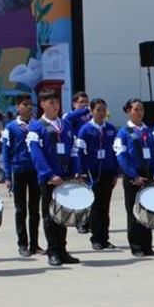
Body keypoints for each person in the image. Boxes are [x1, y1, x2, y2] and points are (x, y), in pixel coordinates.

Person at [27, 90, 84, 267]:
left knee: (64, 215)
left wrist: (76, 170)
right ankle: (53, 251)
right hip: (50, 179)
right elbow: (36, 153)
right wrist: (49, 174)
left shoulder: (66, 124)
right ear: (42, 104)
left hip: (66, 177)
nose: (55, 106)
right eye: (50, 103)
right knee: (50, 216)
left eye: (57, 103)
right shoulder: (37, 126)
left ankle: (62, 250)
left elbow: (74, 150)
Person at [116, 98, 154, 257]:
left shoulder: (148, 131)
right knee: (134, 212)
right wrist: (134, 175)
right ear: (128, 111)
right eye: (136, 109)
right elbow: (122, 156)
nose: (139, 113)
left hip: (147, 173)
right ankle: (136, 246)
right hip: (133, 175)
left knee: (148, 211)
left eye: (141, 109)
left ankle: (147, 245)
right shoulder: (124, 132)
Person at [0, 94, 41, 257]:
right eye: (25, 104)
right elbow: (5, 152)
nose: (29, 107)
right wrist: (8, 175)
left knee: (34, 209)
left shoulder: (37, 125)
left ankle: (35, 243)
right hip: (19, 171)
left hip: (36, 171)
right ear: (18, 107)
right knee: (21, 209)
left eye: (31, 104)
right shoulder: (12, 127)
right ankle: (22, 244)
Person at [77, 98, 120, 250]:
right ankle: (96, 238)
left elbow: (115, 152)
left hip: (108, 171)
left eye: (103, 110)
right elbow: (80, 152)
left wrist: (116, 173)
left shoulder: (110, 129)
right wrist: (81, 172)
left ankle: (105, 238)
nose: (101, 113)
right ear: (92, 111)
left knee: (105, 207)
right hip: (92, 172)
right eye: (98, 110)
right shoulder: (85, 130)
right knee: (95, 206)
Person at [64, 91, 94, 233]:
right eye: (80, 102)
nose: (83, 104)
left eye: (86, 102)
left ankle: (91, 219)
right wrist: (88, 109)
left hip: (91, 156)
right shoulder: (69, 116)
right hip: (76, 156)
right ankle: (80, 221)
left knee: (92, 189)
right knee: (79, 189)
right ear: (74, 104)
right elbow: (70, 117)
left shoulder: (91, 117)